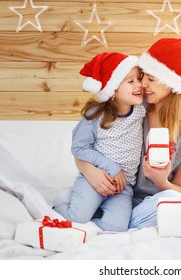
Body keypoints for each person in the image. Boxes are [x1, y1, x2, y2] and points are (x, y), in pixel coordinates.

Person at [75, 38, 181, 229]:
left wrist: (160, 180)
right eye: (142, 76)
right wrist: (90, 171)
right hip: (122, 194)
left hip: (159, 201)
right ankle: (107, 217)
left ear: (172, 85)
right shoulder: (137, 109)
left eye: (151, 79)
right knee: (88, 203)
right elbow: (84, 146)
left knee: (170, 200)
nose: (143, 84)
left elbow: (179, 192)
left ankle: (110, 219)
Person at [54, 52, 146, 232]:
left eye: (139, 78)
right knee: (77, 218)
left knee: (116, 228)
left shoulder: (141, 109)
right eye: (130, 81)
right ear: (113, 91)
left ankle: (93, 213)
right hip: (93, 180)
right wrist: (112, 168)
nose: (139, 85)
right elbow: (78, 147)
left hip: (123, 187)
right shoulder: (95, 116)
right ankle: (60, 207)